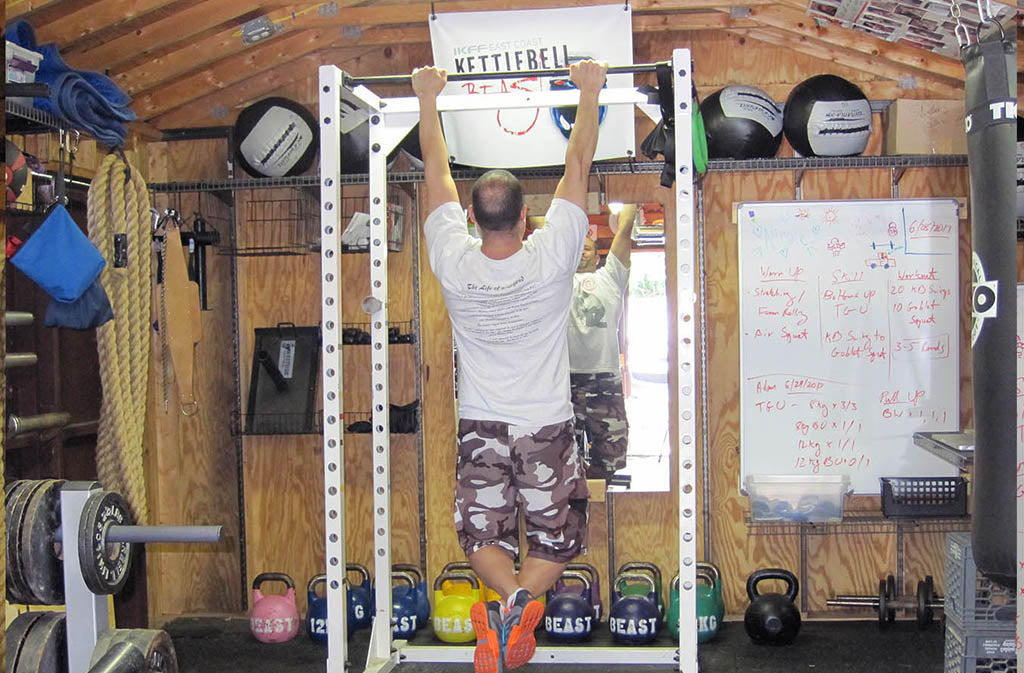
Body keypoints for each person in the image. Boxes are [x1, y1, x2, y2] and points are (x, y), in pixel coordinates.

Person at [412, 59, 609, 673]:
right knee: (558, 539)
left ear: (471, 219)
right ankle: (523, 602)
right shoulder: (551, 257)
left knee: (482, 538)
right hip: (544, 426)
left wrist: (426, 98)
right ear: (528, 218)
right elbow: (577, 165)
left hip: (482, 427)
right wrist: (591, 90)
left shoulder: (453, 260)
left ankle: (507, 606)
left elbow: (438, 174)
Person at [568, 204, 637, 482]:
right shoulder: (556, 280)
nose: (581, 252)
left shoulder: (610, 278)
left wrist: (629, 208)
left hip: (604, 379)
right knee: (558, 458)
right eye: (576, 248)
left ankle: (601, 502)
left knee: (610, 456)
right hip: (564, 380)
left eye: (586, 248)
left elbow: (623, 237)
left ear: (598, 257)